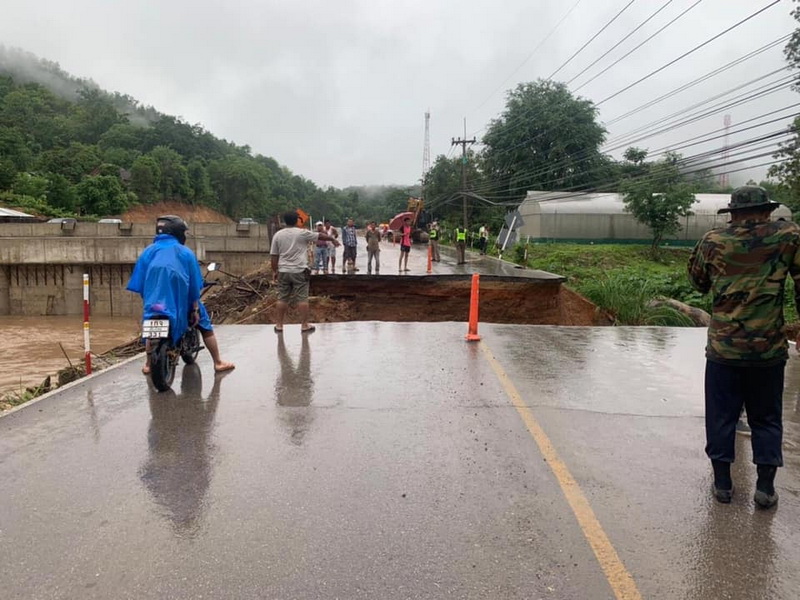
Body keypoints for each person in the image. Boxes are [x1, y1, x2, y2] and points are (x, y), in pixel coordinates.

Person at [688, 186, 800, 509]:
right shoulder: (789, 236)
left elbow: (698, 282)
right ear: (767, 210)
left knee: (721, 417)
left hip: (724, 350)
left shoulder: (713, 240)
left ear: (733, 213)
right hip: (768, 350)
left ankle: (723, 485)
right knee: (766, 418)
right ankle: (765, 488)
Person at [127, 215, 235, 374]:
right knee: (205, 325)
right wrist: (195, 307)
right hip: (180, 303)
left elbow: (140, 281)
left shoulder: (148, 252)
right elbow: (194, 284)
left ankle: (148, 364)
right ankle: (218, 362)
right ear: (178, 232)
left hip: (154, 303)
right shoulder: (185, 253)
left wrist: (149, 300)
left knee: (151, 330)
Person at [271, 211, 339, 333]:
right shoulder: (302, 233)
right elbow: (320, 236)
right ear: (297, 220)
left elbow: (274, 256)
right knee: (302, 299)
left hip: (283, 270)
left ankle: (279, 325)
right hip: (299, 270)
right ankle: (304, 325)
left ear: (285, 221)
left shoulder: (278, 235)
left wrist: (275, 271)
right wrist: (332, 239)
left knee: (282, 298)